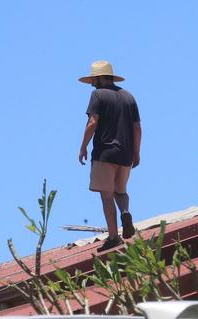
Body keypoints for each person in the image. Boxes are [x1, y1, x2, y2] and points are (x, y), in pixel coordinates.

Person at [78, 60, 142, 252]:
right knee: (120, 191)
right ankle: (125, 211)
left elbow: (92, 122)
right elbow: (137, 128)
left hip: (105, 152)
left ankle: (114, 237)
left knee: (106, 196)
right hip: (125, 154)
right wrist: (136, 152)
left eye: (93, 79)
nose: (91, 83)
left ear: (98, 78)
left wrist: (83, 147)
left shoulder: (97, 95)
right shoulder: (128, 97)